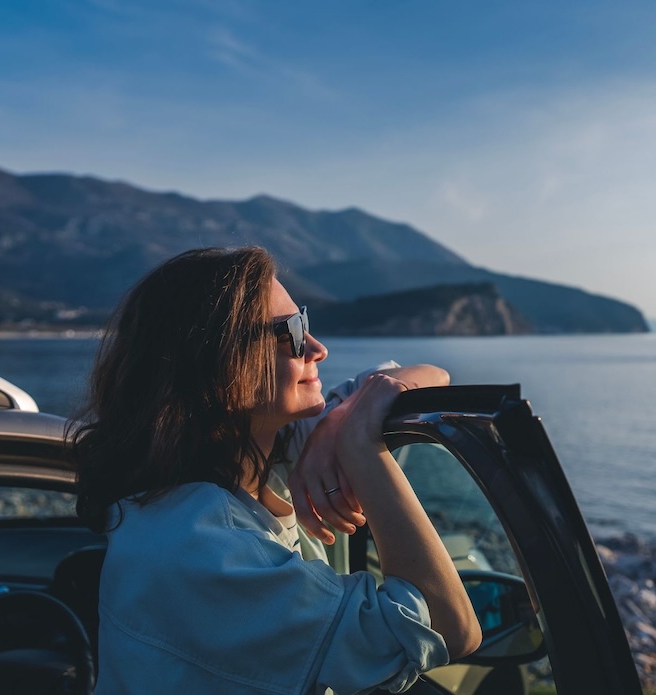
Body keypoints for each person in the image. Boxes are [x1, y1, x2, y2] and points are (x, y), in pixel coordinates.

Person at [70, 246, 481, 695]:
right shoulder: (200, 550)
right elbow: (449, 628)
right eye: (292, 331)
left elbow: (434, 375)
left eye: (303, 321)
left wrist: (336, 424)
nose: (318, 349)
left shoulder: (273, 447)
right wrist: (361, 449)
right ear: (217, 364)